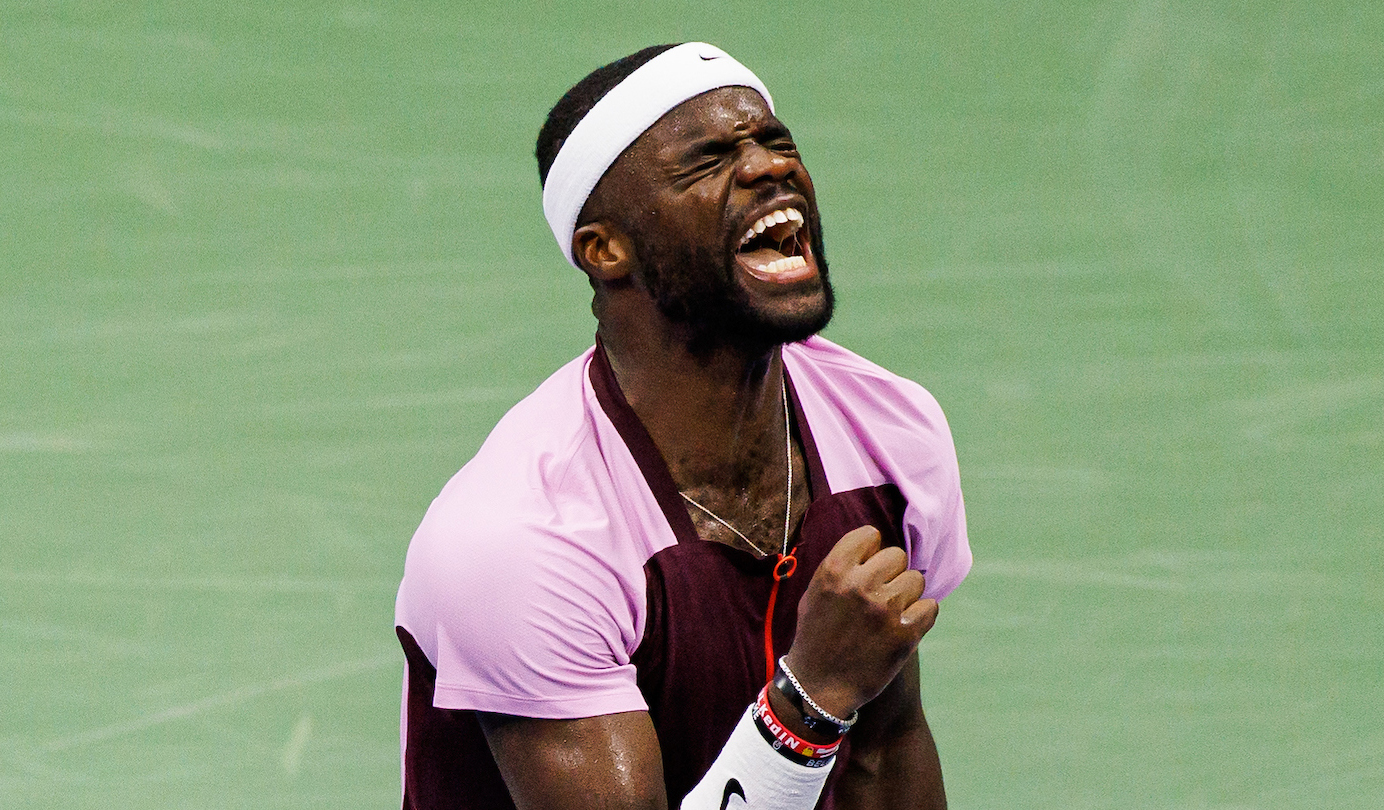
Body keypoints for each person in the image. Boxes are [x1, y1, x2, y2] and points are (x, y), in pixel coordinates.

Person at [394, 43, 972, 809]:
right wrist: (807, 703)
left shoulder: (889, 430)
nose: (769, 167)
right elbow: (839, 711)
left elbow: (885, 750)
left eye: (775, 141)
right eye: (706, 161)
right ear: (604, 251)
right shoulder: (519, 540)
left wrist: (832, 696)